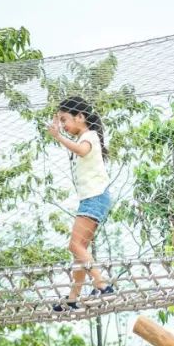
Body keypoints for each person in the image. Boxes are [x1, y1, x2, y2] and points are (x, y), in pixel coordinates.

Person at [47, 96, 114, 311]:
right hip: (93, 198)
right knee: (80, 250)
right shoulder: (85, 136)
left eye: (65, 120)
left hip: (95, 198)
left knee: (75, 245)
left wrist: (58, 137)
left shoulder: (90, 136)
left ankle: (102, 285)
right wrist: (58, 127)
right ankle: (73, 297)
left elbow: (82, 150)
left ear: (81, 117)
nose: (64, 126)